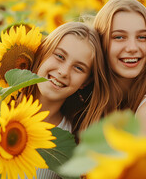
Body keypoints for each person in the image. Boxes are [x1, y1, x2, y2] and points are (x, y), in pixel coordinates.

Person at [19, 22, 114, 178]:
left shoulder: (71, 142)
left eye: (79, 68)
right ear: (44, 51)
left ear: (85, 82)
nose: (63, 72)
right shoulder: (1, 105)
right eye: (60, 56)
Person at [93, 0, 146, 138]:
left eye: (142, 37)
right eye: (119, 37)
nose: (132, 48)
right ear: (100, 40)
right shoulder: (86, 97)